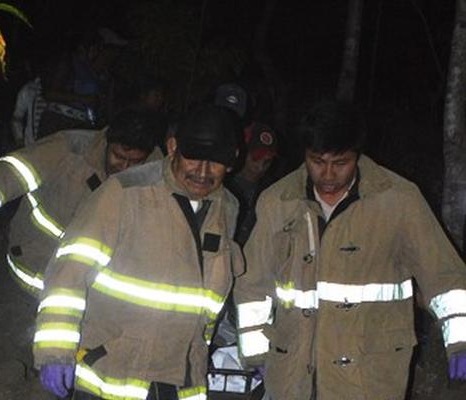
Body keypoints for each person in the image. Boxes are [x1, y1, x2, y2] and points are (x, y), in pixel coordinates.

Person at [234, 100, 466, 399]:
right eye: (317, 161)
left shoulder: (399, 201)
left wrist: (459, 340)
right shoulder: (278, 202)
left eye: (340, 163)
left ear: (358, 156)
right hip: (293, 376)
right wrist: (256, 353)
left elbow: (444, 276)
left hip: (369, 378)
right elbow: (253, 285)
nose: (328, 175)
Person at [33, 105, 243, 399]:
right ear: (173, 148)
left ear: (232, 161)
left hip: (179, 378)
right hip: (111, 372)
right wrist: (55, 352)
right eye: (194, 158)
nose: (203, 172)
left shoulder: (228, 209)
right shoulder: (125, 193)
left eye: (215, 162)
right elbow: (69, 273)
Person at [0, 109, 166, 296]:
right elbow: (8, 175)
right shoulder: (69, 150)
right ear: (106, 141)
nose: (123, 167)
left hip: (92, 292)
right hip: (36, 269)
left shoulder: (157, 176)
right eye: (119, 156)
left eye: (134, 161)